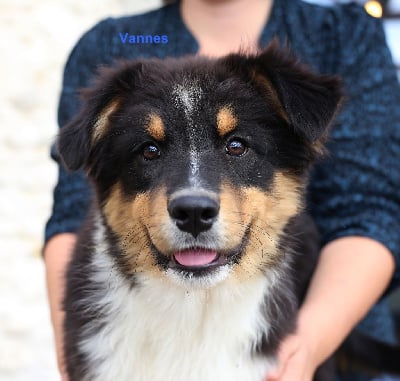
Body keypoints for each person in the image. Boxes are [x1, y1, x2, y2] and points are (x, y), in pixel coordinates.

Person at [43, 0, 400, 380]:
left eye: (237, 146)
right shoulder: (112, 42)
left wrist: (309, 343)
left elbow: (368, 212)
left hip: (314, 329)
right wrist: (75, 354)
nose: (193, 196)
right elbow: (70, 211)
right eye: (149, 150)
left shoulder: (339, 32)